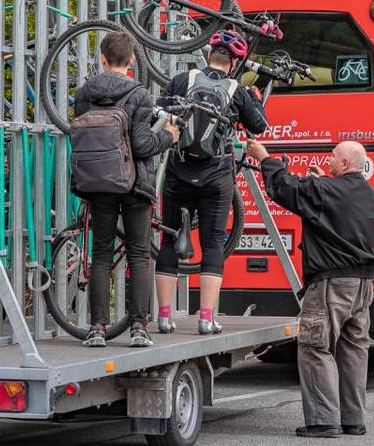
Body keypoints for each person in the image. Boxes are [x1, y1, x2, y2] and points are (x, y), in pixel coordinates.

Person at [245, 138, 374, 438]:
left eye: (332, 157)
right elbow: (338, 204)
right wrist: (323, 184)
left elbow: (286, 189)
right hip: (363, 286)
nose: (328, 160)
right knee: (355, 351)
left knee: (315, 348)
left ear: (345, 164)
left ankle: (323, 421)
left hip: (330, 285)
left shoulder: (325, 191)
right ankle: (353, 419)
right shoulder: (373, 197)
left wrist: (265, 157)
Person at [155, 30, 268, 335]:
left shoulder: (182, 80)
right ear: (233, 63)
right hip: (217, 177)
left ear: (209, 55)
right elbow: (259, 126)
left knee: (168, 240)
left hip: (179, 172)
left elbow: (160, 110)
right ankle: (206, 318)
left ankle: (164, 317)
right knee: (212, 243)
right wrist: (254, 101)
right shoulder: (236, 89)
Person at [72, 31, 179, 348]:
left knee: (101, 255)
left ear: (102, 59)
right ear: (131, 60)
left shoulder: (84, 94)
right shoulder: (139, 95)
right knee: (139, 255)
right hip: (135, 185)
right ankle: (138, 328)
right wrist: (169, 137)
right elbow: (143, 145)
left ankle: (97, 328)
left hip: (98, 183)